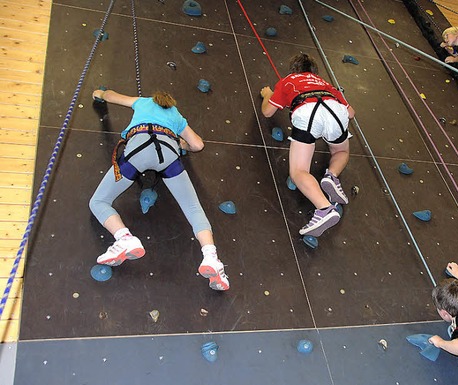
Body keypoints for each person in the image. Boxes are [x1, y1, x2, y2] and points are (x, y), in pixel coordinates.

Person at [89, 89, 229, 291]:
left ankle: (124, 238)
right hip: (169, 154)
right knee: (193, 208)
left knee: (99, 201)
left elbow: (112, 96)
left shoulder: (143, 102)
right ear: (170, 103)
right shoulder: (177, 116)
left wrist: (100, 92)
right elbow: (198, 144)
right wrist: (182, 145)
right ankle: (211, 257)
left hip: (139, 148)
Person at [260, 53, 355, 237]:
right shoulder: (326, 84)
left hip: (308, 113)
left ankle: (324, 208)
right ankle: (332, 175)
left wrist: (268, 95)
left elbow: (267, 112)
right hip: (334, 110)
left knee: (299, 171)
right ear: (314, 71)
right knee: (341, 150)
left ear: (294, 69)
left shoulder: (288, 81)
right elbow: (350, 113)